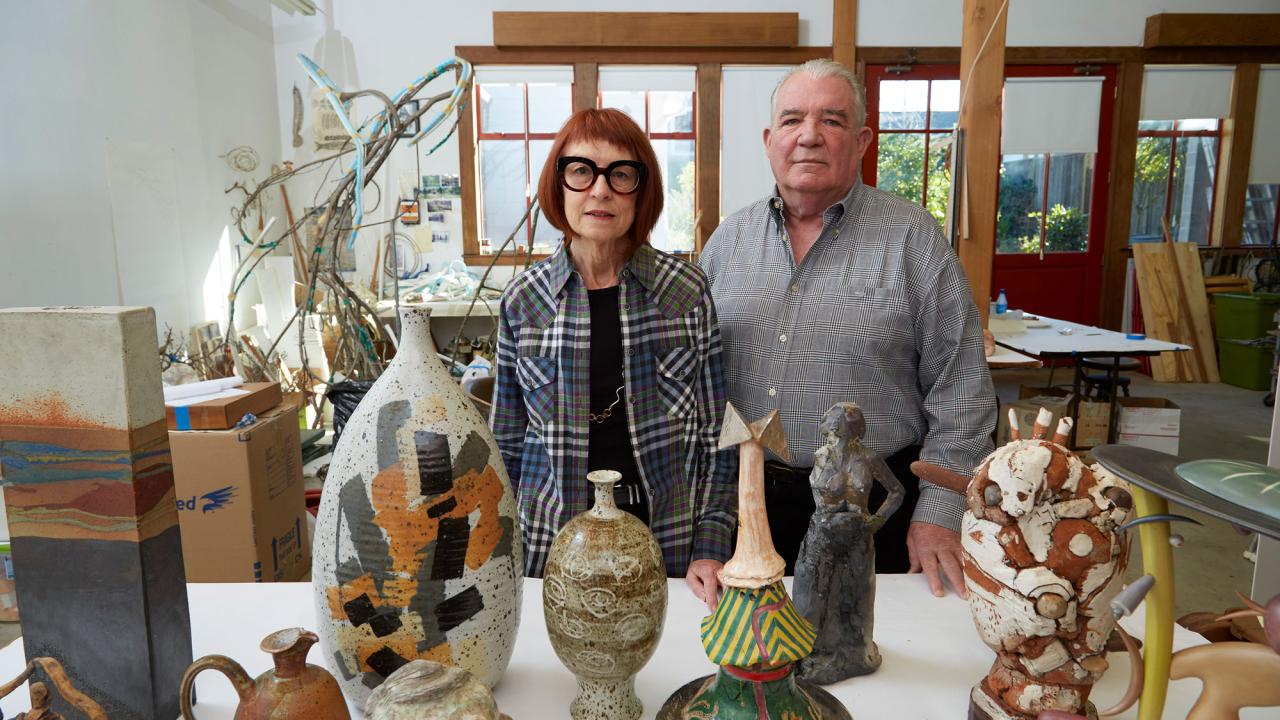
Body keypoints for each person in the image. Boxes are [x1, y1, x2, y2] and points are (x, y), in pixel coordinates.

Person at [699, 59, 997, 598]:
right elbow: (696, 390)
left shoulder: (913, 240)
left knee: (868, 663)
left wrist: (941, 513)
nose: (809, 135)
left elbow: (963, 388)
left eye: (831, 121)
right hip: (745, 509)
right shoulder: (727, 242)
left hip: (875, 513)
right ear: (770, 140)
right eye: (792, 120)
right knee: (755, 660)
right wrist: (707, 522)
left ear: (861, 140)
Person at [491, 108, 736, 607]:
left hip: (667, 542)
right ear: (559, 184)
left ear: (640, 192)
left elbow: (717, 438)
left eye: (620, 174)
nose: (599, 190)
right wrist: (497, 558)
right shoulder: (524, 302)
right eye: (582, 171)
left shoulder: (685, 293)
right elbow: (505, 448)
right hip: (551, 545)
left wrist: (711, 548)